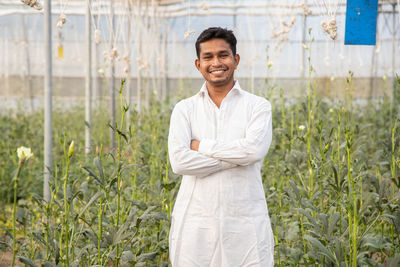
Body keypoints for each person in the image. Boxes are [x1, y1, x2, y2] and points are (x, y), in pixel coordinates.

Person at [168, 27, 274, 266]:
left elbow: (254, 151)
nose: (216, 62)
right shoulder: (185, 109)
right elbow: (180, 161)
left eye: (223, 55)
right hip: (196, 222)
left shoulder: (258, 106)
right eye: (208, 57)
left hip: (244, 221)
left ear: (236, 60)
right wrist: (238, 158)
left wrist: (201, 146)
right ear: (198, 64)